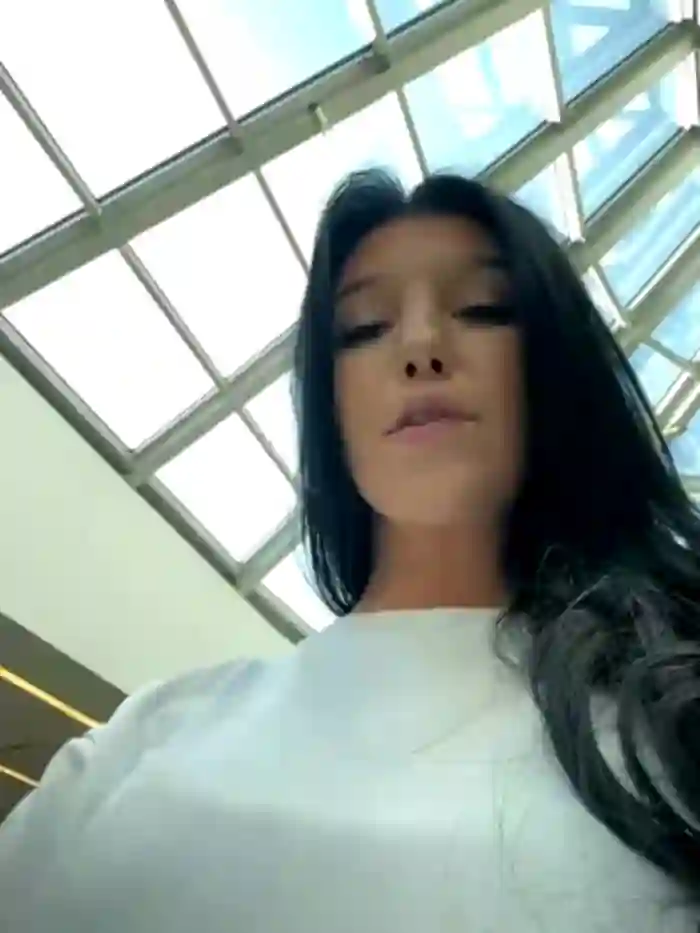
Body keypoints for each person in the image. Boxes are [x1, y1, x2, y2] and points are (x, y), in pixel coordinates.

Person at [1, 168, 699, 933]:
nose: (421, 346)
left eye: (483, 309)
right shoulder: (147, 740)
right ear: (331, 409)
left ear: (555, 370)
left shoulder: (670, 716)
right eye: (364, 328)